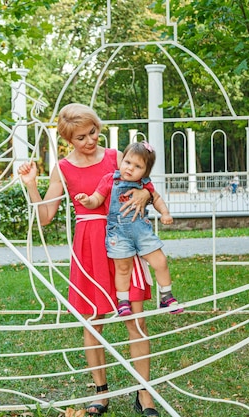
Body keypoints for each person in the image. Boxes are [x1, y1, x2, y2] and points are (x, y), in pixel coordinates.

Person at [18, 103, 160, 416]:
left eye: (93, 131)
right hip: (88, 247)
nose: (90, 140)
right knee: (92, 321)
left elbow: (142, 180)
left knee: (135, 318)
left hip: (121, 240)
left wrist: (146, 195)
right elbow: (45, 217)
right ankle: (101, 393)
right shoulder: (63, 169)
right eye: (81, 136)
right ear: (68, 140)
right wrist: (31, 186)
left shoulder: (115, 157)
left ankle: (144, 393)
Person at [74, 141, 184, 317]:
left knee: (160, 262)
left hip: (142, 232)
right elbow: (97, 199)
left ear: (145, 171)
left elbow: (156, 199)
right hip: (118, 234)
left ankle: (166, 296)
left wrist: (165, 213)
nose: (130, 168)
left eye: (138, 166)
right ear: (122, 160)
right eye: (127, 162)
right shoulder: (109, 180)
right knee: (123, 268)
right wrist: (87, 200)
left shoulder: (145, 184)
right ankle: (123, 301)